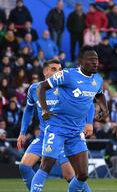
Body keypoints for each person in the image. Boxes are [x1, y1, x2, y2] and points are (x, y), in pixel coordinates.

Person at [30, 46, 108, 192]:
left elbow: (99, 94)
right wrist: (45, 109)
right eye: (91, 60)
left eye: (96, 60)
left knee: (83, 174)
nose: (95, 63)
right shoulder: (67, 75)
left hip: (76, 131)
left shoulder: (97, 79)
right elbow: (42, 87)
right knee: (46, 166)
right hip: (57, 128)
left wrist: (105, 108)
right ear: (81, 61)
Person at [17, 59, 93, 192]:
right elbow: (28, 109)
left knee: (70, 175)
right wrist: (22, 132)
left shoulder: (69, 88)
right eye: (54, 69)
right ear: (45, 72)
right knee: (24, 166)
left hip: (65, 137)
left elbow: (89, 103)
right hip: (44, 136)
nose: (58, 72)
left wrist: (89, 122)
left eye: (60, 69)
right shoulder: (35, 89)